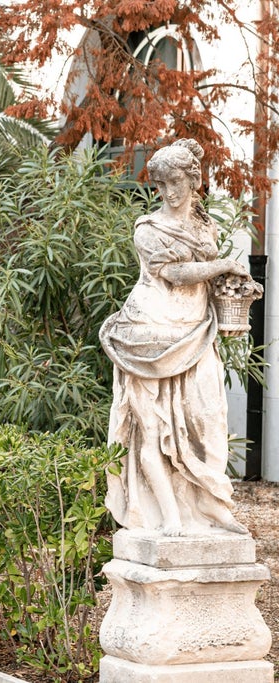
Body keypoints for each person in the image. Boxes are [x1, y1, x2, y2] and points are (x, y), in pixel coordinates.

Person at [99, 138, 249, 536]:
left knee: (210, 417)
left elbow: (202, 280)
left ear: (193, 180)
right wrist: (224, 264)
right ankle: (169, 516)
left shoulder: (205, 224)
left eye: (174, 182)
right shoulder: (148, 229)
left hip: (196, 330)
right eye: (160, 184)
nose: (167, 192)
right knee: (151, 429)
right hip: (148, 334)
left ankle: (214, 504)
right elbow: (176, 275)